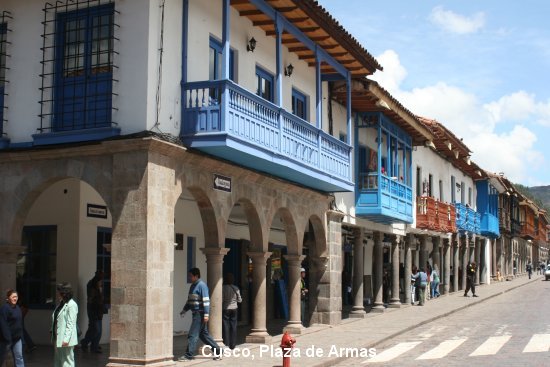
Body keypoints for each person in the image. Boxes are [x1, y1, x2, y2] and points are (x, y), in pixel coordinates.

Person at [178, 268, 222, 361]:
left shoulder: (202, 286)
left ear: (196, 275)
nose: (189, 277)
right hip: (195, 314)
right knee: (204, 335)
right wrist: (184, 310)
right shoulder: (192, 286)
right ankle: (218, 351)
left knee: (192, 334)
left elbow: (206, 301)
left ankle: (188, 355)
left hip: (200, 314)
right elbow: (190, 300)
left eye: (191, 276)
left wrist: (206, 314)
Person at [52, 282, 78, 367]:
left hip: (65, 340)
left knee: (67, 362)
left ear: (64, 293)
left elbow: (71, 323)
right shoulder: (61, 303)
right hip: (58, 337)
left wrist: (66, 340)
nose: (58, 293)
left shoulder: (72, 305)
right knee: (58, 361)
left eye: (59, 291)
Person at [81, 270, 105, 353]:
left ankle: (94, 346)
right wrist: (97, 288)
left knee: (98, 330)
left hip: (99, 309)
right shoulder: (91, 284)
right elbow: (91, 297)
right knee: (95, 329)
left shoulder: (99, 285)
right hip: (93, 308)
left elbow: (101, 297)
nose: (101, 280)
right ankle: (84, 342)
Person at [0, 289, 25, 367]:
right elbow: (3, 325)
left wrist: (22, 337)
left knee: (19, 357)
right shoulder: (4, 308)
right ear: (8, 298)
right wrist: (8, 338)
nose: (15, 298)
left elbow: (20, 324)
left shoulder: (17, 308)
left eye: (16, 297)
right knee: (3, 359)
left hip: (17, 338)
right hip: (6, 339)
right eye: (13, 297)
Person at [222, 272, 241, 350]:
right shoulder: (236, 288)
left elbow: (222, 299)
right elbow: (239, 300)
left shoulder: (222, 288)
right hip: (234, 309)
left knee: (226, 326)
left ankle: (226, 343)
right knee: (233, 326)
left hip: (226, 308)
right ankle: (232, 344)